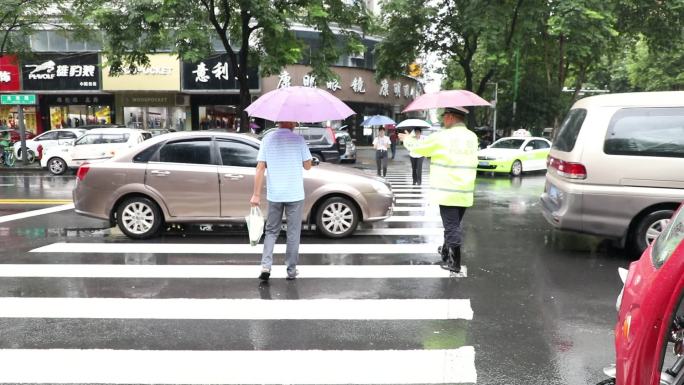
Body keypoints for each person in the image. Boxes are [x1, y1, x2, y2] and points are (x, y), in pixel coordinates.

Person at [398, 107, 478, 273]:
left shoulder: (442, 136)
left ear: (449, 117)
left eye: (444, 117)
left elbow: (419, 148)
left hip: (448, 190)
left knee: (451, 227)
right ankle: (444, 252)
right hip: (465, 190)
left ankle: (454, 263)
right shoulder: (472, 137)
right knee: (453, 224)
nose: (443, 121)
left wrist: (406, 139)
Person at [251, 121, 313, 281]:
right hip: (295, 195)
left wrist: (256, 195)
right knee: (293, 233)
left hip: (275, 195)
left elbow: (260, 167)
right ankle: (291, 271)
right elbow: (308, 166)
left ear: (278, 122)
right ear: (292, 122)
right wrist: (306, 154)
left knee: (271, 231)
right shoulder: (299, 140)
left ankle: (266, 265)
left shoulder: (267, 139)